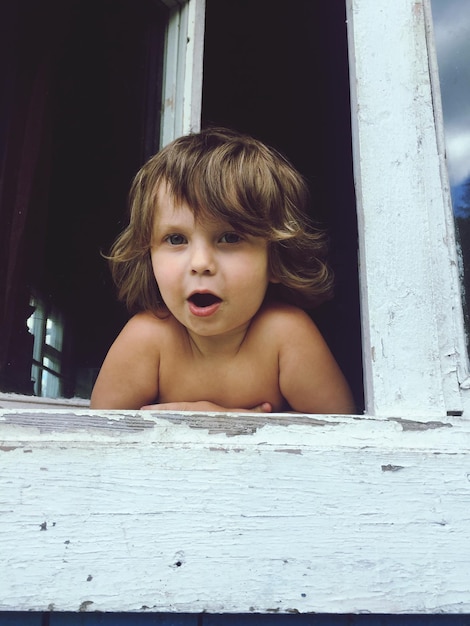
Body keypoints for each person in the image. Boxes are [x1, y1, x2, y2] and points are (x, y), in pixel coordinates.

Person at [90, 128, 355, 414]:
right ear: (148, 254)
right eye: (176, 239)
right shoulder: (147, 338)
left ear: (276, 257)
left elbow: (346, 438)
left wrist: (228, 423)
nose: (201, 263)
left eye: (229, 238)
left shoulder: (285, 334)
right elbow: (96, 443)